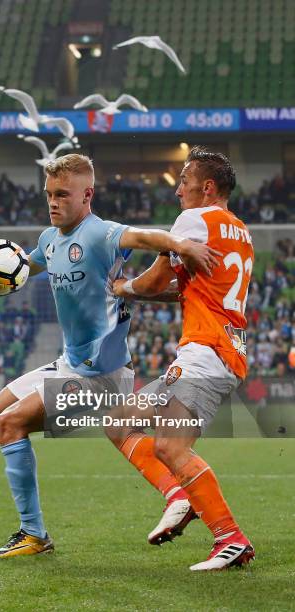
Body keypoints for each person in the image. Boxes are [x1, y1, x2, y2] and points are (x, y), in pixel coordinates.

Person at [0, 154, 219, 559]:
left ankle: (34, 534)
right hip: (69, 365)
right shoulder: (50, 239)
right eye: (49, 194)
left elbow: (144, 237)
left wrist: (182, 244)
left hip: (104, 378)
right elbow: (21, 264)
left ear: (87, 195)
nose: (54, 202)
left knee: (11, 424)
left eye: (63, 194)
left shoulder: (100, 233)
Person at [107, 146, 255, 571]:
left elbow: (155, 280)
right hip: (223, 351)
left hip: (205, 354)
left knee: (171, 446)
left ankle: (230, 537)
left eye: (184, 181)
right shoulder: (241, 232)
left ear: (207, 188)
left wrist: (123, 288)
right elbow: (191, 290)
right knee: (120, 420)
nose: (178, 192)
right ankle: (179, 496)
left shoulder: (195, 220)